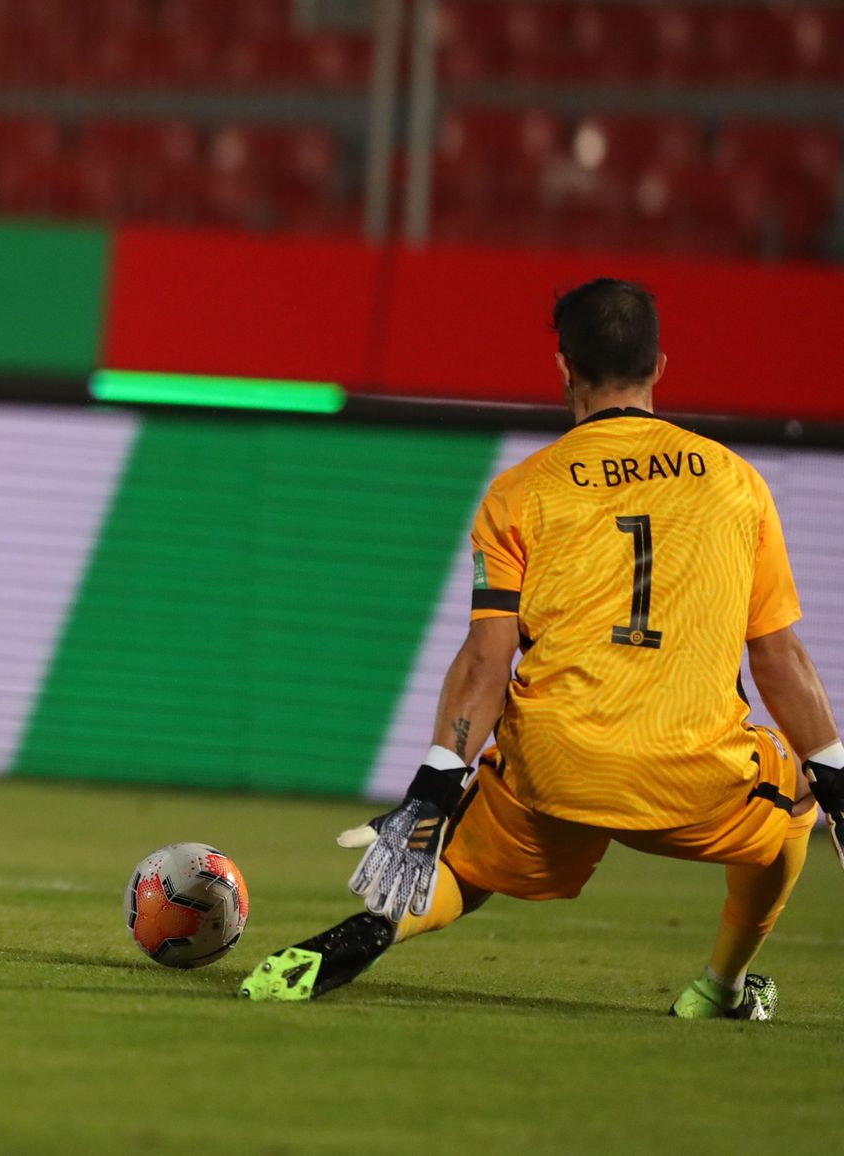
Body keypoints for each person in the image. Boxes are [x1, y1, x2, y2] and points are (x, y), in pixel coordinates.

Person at [239, 279, 844, 1017]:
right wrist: (835, 775)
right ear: (660, 366)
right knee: (796, 807)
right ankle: (720, 987)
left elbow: (486, 661)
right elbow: (776, 655)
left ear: (564, 368)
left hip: (558, 768)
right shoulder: (736, 483)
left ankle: (371, 931)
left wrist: (435, 784)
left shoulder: (520, 492)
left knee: (469, 864)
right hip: (692, 774)